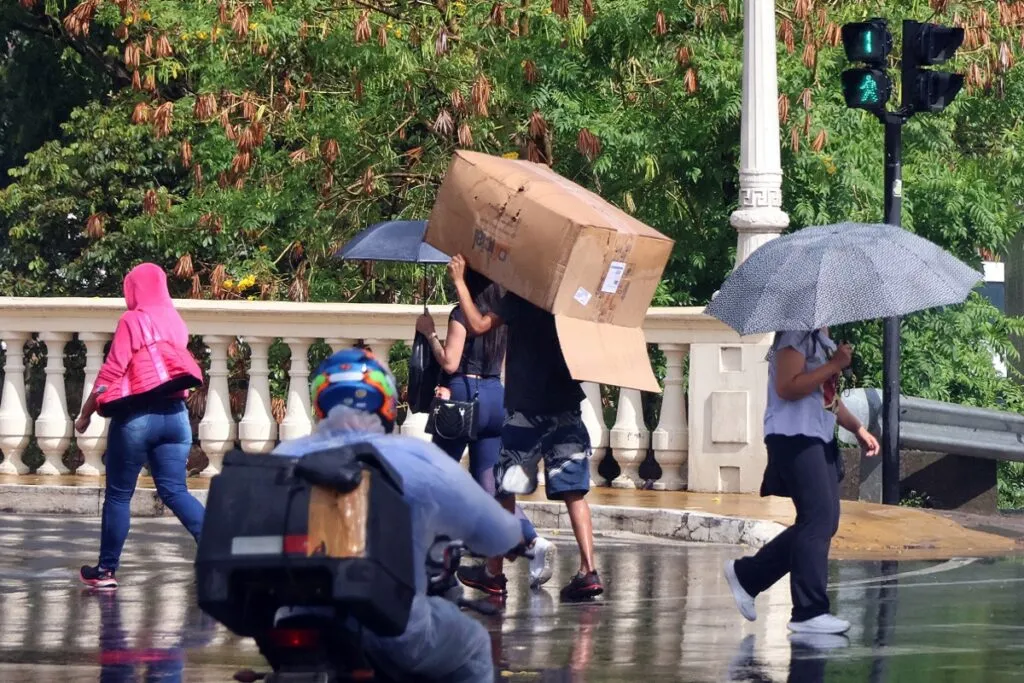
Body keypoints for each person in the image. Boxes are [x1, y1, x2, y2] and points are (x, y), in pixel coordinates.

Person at [272, 347, 524, 683]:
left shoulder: (284, 453)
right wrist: (516, 535)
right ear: (386, 403)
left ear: (321, 400)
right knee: (476, 645)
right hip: (393, 624)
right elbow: (493, 531)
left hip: (292, 618)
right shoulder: (413, 455)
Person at [445, 254, 602, 602]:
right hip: (566, 407)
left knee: (505, 489)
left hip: (526, 411)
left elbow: (478, 325)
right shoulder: (572, 300)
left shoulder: (523, 297)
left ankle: (493, 573)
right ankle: (588, 571)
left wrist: (459, 281)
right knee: (574, 490)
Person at [724, 329, 880, 635]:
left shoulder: (821, 339)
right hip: (793, 435)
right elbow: (787, 386)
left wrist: (857, 428)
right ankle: (809, 611)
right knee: (818, 520)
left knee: (824, 520)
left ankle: (748, 575)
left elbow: (826, 398)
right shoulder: (794, 334)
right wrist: (834, 364)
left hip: (816, 435)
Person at [415, 267, 556, 592]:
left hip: (463, 396)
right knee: (492, 486)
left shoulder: (461, 315)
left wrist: (429, 334)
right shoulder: (500, 316)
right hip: (495, 396)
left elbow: (450, 363)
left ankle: (431, 557)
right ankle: (532, 542)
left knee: (436, 476)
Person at [76, 263, 206, 589]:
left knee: (119, 496)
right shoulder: (175, 322)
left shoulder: (132, 320)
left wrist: (86, 413)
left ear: (132, 289)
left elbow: (111, 372)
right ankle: (218, 552)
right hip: (177, 417)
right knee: (176, 491)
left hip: (137, 418)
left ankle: (106, 571)